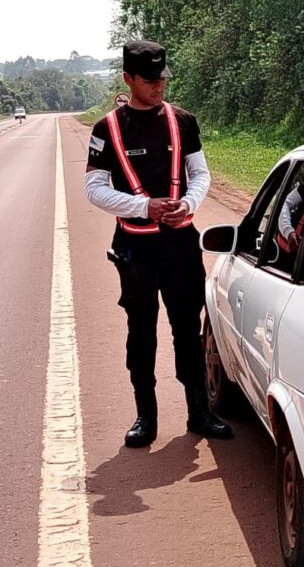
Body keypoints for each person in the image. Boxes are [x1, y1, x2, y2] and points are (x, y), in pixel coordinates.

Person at [84, 40, 234, 448]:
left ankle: (199, 412)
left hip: (181, 244)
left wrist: (186, 202)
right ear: (128, 79)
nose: (158, 87)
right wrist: (143, 206)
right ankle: (145, 416)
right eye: (149, 80)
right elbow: (94, 189)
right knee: (141, 330)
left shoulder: (183, 121)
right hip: (135, 249)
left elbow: (200, 175)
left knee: (188, 329)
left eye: (162, 79)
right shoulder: (108, 129)